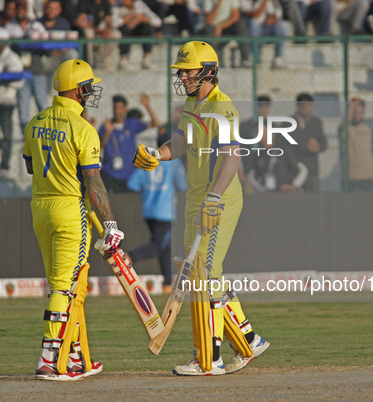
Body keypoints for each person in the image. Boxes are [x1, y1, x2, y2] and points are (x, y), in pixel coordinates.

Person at [132, 41, 270, 376]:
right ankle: (249, 340)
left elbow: (231, 158)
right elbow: (181, 140)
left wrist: (213, 199)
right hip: (197, 196)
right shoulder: (193, 101)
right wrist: (158, 155)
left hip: (217, 198)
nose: (182, 75)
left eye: (188, 70)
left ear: (208, 70)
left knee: (204, 277)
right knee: (204, 275)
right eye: (181, 70)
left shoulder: (223, 108)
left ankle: (209, 359)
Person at [24, 59, 124, 381]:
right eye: (89, 86)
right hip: (69, 209)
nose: (91, 92)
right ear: (79, 90)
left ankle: (76, 356)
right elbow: (93, 183)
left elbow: (30, 166)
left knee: (66, 283)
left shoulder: (35, 121)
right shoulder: (83, 129)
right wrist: (110, 224)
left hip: (40, 208)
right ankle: (50, 359)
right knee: (66, 286)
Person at [127, 143, 188, 293]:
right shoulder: (174, 161)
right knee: (159, 246)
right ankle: (129, 257)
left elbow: (132, 183)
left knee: (165, 248)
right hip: (165, 211)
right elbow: (183, 185)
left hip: (149, 210)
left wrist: (146, 191)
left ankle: (167, 283)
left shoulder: (149, 159)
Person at [98, 94, 160, 193]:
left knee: (127, 204)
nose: (117, 111)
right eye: (115, 108)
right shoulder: (106, 126)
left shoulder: (131, 124)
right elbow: (99, 147)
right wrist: (108, 133)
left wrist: (147, 106)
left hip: (127, 174)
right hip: (109, 173)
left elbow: (156, 124)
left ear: (126, 109)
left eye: (120, 108)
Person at [5, 0, 48, 135]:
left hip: (37, 70)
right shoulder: (10, 27)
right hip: (21, 73)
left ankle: (47, 135)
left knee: (43, 105)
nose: (20, 12)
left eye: (22, 9)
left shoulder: (36, 25)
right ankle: (27, 140)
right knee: (23, 110)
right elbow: (7, 48)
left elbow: (45, 41)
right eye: (17, 10)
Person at [0, 28, 24, 176]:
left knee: (6, 135)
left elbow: (19, 81)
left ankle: (4, 166)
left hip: (7, 101)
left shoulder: (13, 58)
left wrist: (4, 80)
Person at [197, 0, 252, 68]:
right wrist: (218, 4)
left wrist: (220, 27)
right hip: (212, 28)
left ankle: (245, 59)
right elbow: (209, 20)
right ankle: (212, 62)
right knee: (209, 30)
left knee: (240, 25)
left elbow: (235, 16)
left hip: (226, 27)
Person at [291, 93, 327, 192]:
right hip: (294, 170)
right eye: (307, 106)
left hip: (312, 170)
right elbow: (287, 145)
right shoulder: (288, 123)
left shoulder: (316, 122)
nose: (310, 109)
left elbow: (324, 144)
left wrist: (317, 147)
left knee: (312, 200)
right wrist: (306, 146)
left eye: (311, 106)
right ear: (299, 107)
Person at [112, 0, 162, 70]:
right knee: (125, 29)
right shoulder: (117, 7)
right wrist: (129, 18)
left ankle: (146, 59)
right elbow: (114, 23)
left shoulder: (140, 5)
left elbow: (158, 21)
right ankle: (123, 59)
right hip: (125, 31)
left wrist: (141, 19)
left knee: (147, 28)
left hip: (138, 31)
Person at [338, 98, 373, 191]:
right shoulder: (347, 130)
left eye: (360, 112)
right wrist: (352, 106)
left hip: (367, 175)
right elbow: (344, 125)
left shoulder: (366, 129)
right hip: (352, 176)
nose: (357, 115)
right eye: (355, 112)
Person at [243, 0, 288, 68]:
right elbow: (255, 16)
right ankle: (254, 59)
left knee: (283, 25)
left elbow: (276, 17)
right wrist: (264, 2)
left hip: (269, 29)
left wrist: (270, 19)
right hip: (258, 30)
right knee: (253, 23)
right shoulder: (256, 2)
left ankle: (277, 59)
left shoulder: (274, 3)